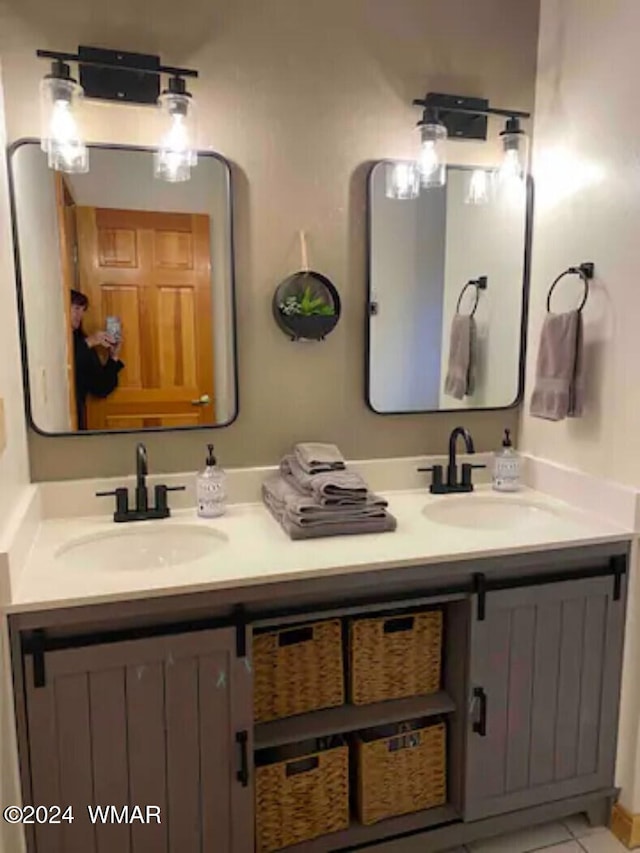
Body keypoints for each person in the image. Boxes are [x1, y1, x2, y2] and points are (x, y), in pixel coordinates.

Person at [70, 290, 124, 430]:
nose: (80, 315)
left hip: (78, 415)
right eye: (76, 308)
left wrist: (113, 357)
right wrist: (89, 342)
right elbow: (65, 367)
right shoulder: (71, 343)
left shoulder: (80, 339)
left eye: (83, 310)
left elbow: (101, 387)